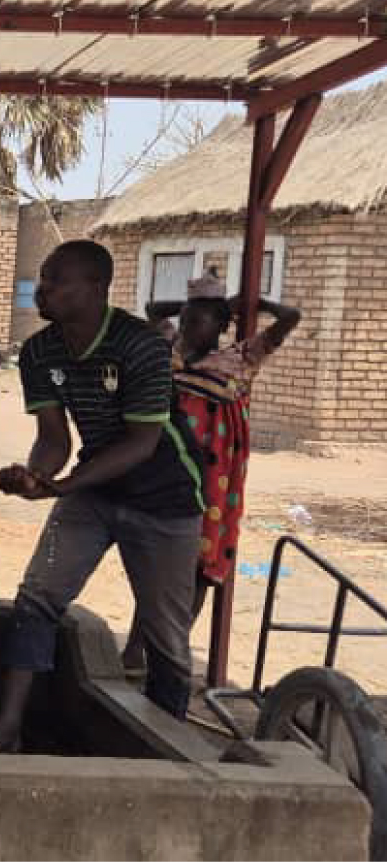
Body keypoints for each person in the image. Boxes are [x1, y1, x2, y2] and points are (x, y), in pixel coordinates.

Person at [0, 240, 205, 752]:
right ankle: (8, 725)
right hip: (95, 488)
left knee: (164, 633)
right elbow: (55, 440)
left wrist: (62, 485)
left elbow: (143, 443)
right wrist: (37, 476)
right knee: (38, 595)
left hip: (164, 496)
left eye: (57, 279)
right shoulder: (40, 352)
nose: (45, 289)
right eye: (43, 278)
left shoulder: (141, 345)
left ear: (97, 287)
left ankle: (164, 745)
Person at [121, 270, 301, 671]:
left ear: (222, 326)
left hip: (213, 478)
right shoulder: (171, 349)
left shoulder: (241, 358)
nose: (186, 327)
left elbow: (291, 317)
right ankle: (135, 648)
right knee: (156, 564)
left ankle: (171, 648)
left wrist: (241, 304)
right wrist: (193, 303)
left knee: (199, 565)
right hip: (165, 469)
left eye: (198, 321)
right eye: (184, 319)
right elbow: (152, 309)